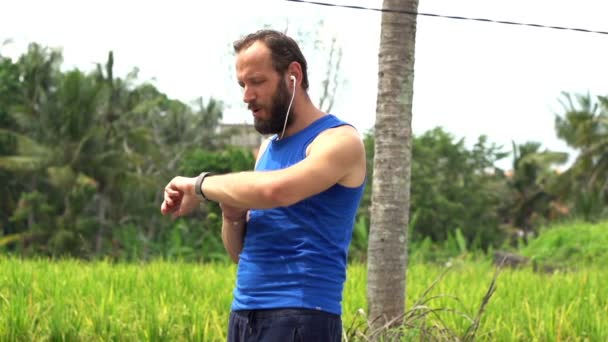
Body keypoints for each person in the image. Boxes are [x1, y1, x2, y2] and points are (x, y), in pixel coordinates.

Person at [160, 29, 366, 342]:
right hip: (245, 315)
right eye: (242, 85)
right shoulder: (267, 151)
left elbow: (276, 192)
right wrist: (232, 215)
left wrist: (199, 186)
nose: (247, 96)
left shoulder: (338, 141)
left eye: (257, 82)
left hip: (301, 316)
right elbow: (240, 254)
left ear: (293, 75)